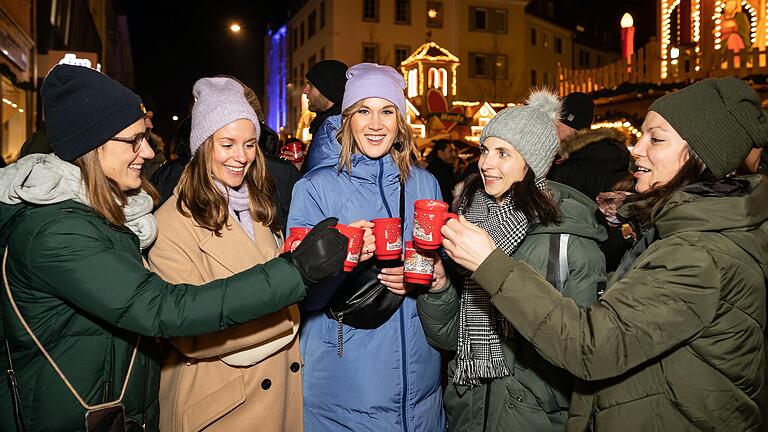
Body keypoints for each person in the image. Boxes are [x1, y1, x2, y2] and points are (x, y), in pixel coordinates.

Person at [0, 64, 348, 432]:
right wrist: (295, 271)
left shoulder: (121, 214)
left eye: (249, 144)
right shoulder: (60, 231)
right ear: (91, 143)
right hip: (86, 413)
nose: (149, 152)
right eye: (134, 140)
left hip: (121, 406)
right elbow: (164, 310)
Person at [440, 77, 768, 431]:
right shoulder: (681, 235)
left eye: (655, 139)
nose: (635, 149)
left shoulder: (700, 253)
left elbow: (590, 345)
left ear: (702, 157)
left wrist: (492, 266)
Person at [417, 89, 607, 431]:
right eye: (486, 150)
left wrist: (533, 397)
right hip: (468, 412)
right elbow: (449, 339)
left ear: (533, 162)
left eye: (503, 153)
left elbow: (582, 352)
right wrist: (440, 287)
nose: (486, 163)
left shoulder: (569, 244)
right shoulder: (470, 221)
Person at [288, 63, 445, 431]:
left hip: (422, 392)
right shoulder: (315, 188)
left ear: (401, 121)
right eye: (363, 111)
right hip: (345, 390)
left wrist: (434, 278)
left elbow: (442, 278)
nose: (375, 124)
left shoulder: (425, 186)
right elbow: (299, 295)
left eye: (387, 111)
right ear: (347, 119)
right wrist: (343, 260)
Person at [148, 77, 302, 431]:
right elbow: (192, 335)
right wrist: (292, 302)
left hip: (276, 395)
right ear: (202, 146)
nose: (242, 157)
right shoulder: (171, 224)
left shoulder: (257, 206)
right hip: (220, 406)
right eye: (227, 144)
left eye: (249, 144)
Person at [548, 92, 631, 272]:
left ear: (569, 124)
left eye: (556, 122)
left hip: (580, 262)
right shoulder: (609, 155)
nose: (552, 127)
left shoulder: (572, 168)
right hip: (614, 258)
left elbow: (562, 225)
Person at [302, 59, 348, 172]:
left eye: (310, 85)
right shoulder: (324, 124)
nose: (305, 91)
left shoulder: (335, 131)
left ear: (326, 89)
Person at [426, 139, 460, 203]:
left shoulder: (445, 168)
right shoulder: (438, 170)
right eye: (450, 151)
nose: (454, 154)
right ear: (440, 152)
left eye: (454, 151)